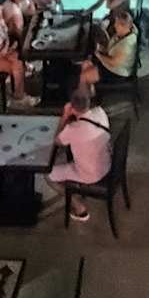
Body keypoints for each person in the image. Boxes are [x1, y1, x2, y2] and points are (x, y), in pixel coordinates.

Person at [47, 87, 111, 222]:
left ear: (72, 106)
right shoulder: (100, 112)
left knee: (48, 174)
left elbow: (56, 140)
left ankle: (79, 207)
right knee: (67, 155)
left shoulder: (74, 129)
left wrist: (65, 116)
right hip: (107, 164)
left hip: (90, 174)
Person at [94, 7, 138, 80]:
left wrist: (98, 55)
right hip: (109, 64)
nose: (114, 25)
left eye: (116, 24)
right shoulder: (121, 34)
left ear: (123, 26)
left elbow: (113, 62)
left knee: (86, 73)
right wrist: (101, 49)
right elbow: (112, 48)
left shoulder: (126, 45)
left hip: (116, 73)